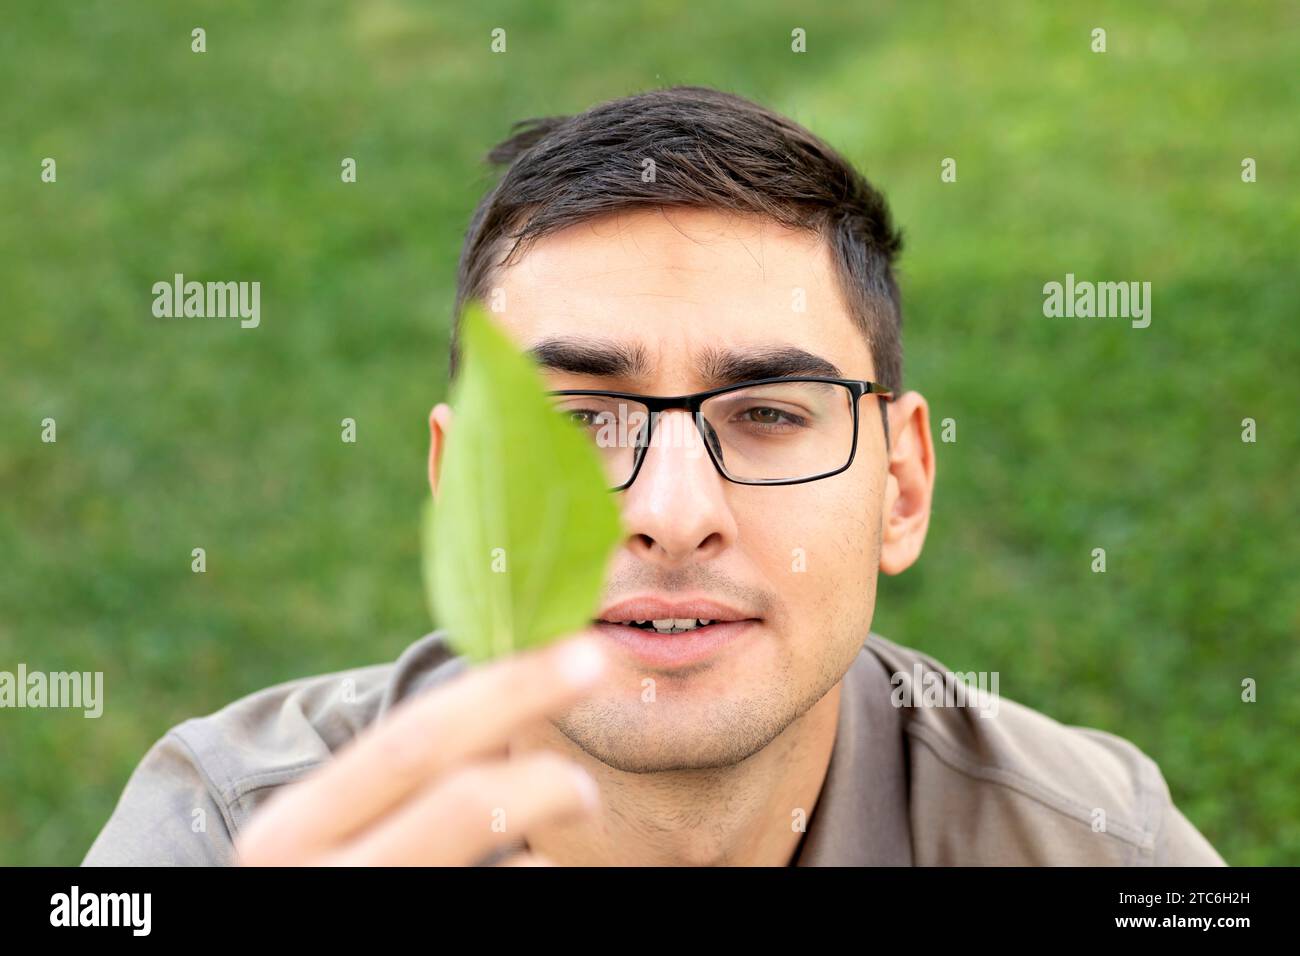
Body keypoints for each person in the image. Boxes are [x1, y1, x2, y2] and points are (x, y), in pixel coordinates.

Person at [84, 86, 1225, 866]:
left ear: (903, 484)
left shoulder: (1096, 839)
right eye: (578, 420)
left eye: (770, 413)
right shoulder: (220, 831)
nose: (672, 515)